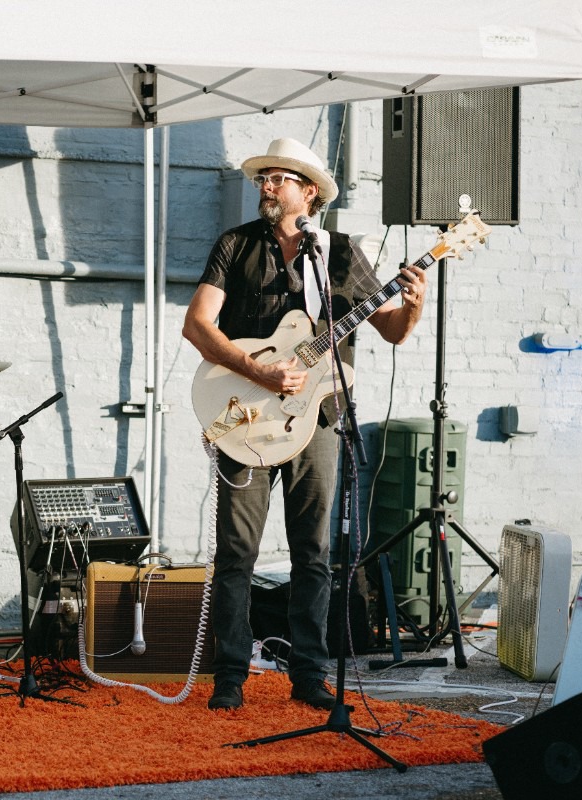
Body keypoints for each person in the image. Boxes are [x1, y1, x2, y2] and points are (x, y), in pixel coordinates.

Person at [182, 138, 427, 711]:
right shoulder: (236, 244)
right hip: (244, 413)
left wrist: (413, 302)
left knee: (312, 551)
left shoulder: (337, 254)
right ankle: (229, 676)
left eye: (278, 179)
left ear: (308, 191)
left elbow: (391, 330)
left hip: (318, 421)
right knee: (237, 551)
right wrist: (256, 370)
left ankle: (311, 674)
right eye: (263, 177)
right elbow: (197, 325)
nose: (265, 186)